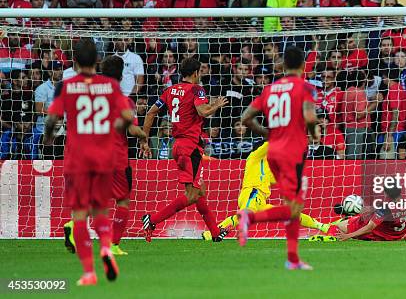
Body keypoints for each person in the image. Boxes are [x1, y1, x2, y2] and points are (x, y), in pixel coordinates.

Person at [43, 39, 134, 286]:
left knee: (80, 214)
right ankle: (106, 248)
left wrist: (48, 139)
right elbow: (127, 117)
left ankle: (88, 272)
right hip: (103, 156)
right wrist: (111, 128)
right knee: (102, 210)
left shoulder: (66, 86)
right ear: (96, 61)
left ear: (74, 61)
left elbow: (52, 120)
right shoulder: (110, 86)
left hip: (77, 157)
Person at [238, 46, 320, 270]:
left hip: (273, 152)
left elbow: (246, 117)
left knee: (291, 206)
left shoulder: (270, 89)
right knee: (294, 208)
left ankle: (292, 259)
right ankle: (249, 217)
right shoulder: (305, 87)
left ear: (283, 66)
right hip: (292, 152)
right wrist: (314, 134)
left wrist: (268, 134)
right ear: (304, 66)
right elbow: (310, 117)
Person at [63, 55, 148, 257]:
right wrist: (144, 135)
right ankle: (113, 244)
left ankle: (74, 225)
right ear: (121, 75)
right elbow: (132, 130)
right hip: (116, 158)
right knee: (123, 201)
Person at [140, 57, 229, 242]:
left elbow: (151, 113)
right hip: (190, 148)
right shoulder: (197, 89)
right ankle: (153, 220)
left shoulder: (170, 90)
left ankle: (215, 232)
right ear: (196, 73)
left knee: (199, 192)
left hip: (178, 147)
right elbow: (203, 112)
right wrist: (216, 105)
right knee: (192, 195)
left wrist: (144, 140)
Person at [203, 141, 330, 241]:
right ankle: (212, 233)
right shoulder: (254, 157)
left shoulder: (267, 167)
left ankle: (322, 226)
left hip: (261, 201)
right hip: (252, 193)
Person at [327, 186, 406, 242]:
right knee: (403, 236)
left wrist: (348, 236)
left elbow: (369, 228)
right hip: (397, 235)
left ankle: (317, 225)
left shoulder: (385, 209)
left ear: (387, 194)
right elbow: (395, 210)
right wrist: (374, 209)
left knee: (338, 226)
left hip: (379, 236)